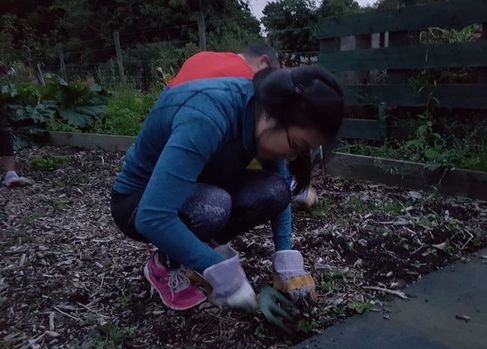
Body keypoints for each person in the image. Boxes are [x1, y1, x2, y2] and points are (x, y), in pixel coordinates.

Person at [110, 65, 344, 312]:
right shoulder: (206, 115)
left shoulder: (263, 112)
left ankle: (193, 250)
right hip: (137, 202)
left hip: (199, 189)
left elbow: (282, 188)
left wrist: (286, 260)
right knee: (214, 205)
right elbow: (152, 215)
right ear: (271, 115)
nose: (292, 155)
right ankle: (167, 263)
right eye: (295, 145)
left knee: (274, 191)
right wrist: (221, 273)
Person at [169, 44, 318, 208]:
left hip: (170, 165)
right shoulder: (246, 84)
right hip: (200, 177)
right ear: (263, 62)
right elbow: (269, 149)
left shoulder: (198, 59)